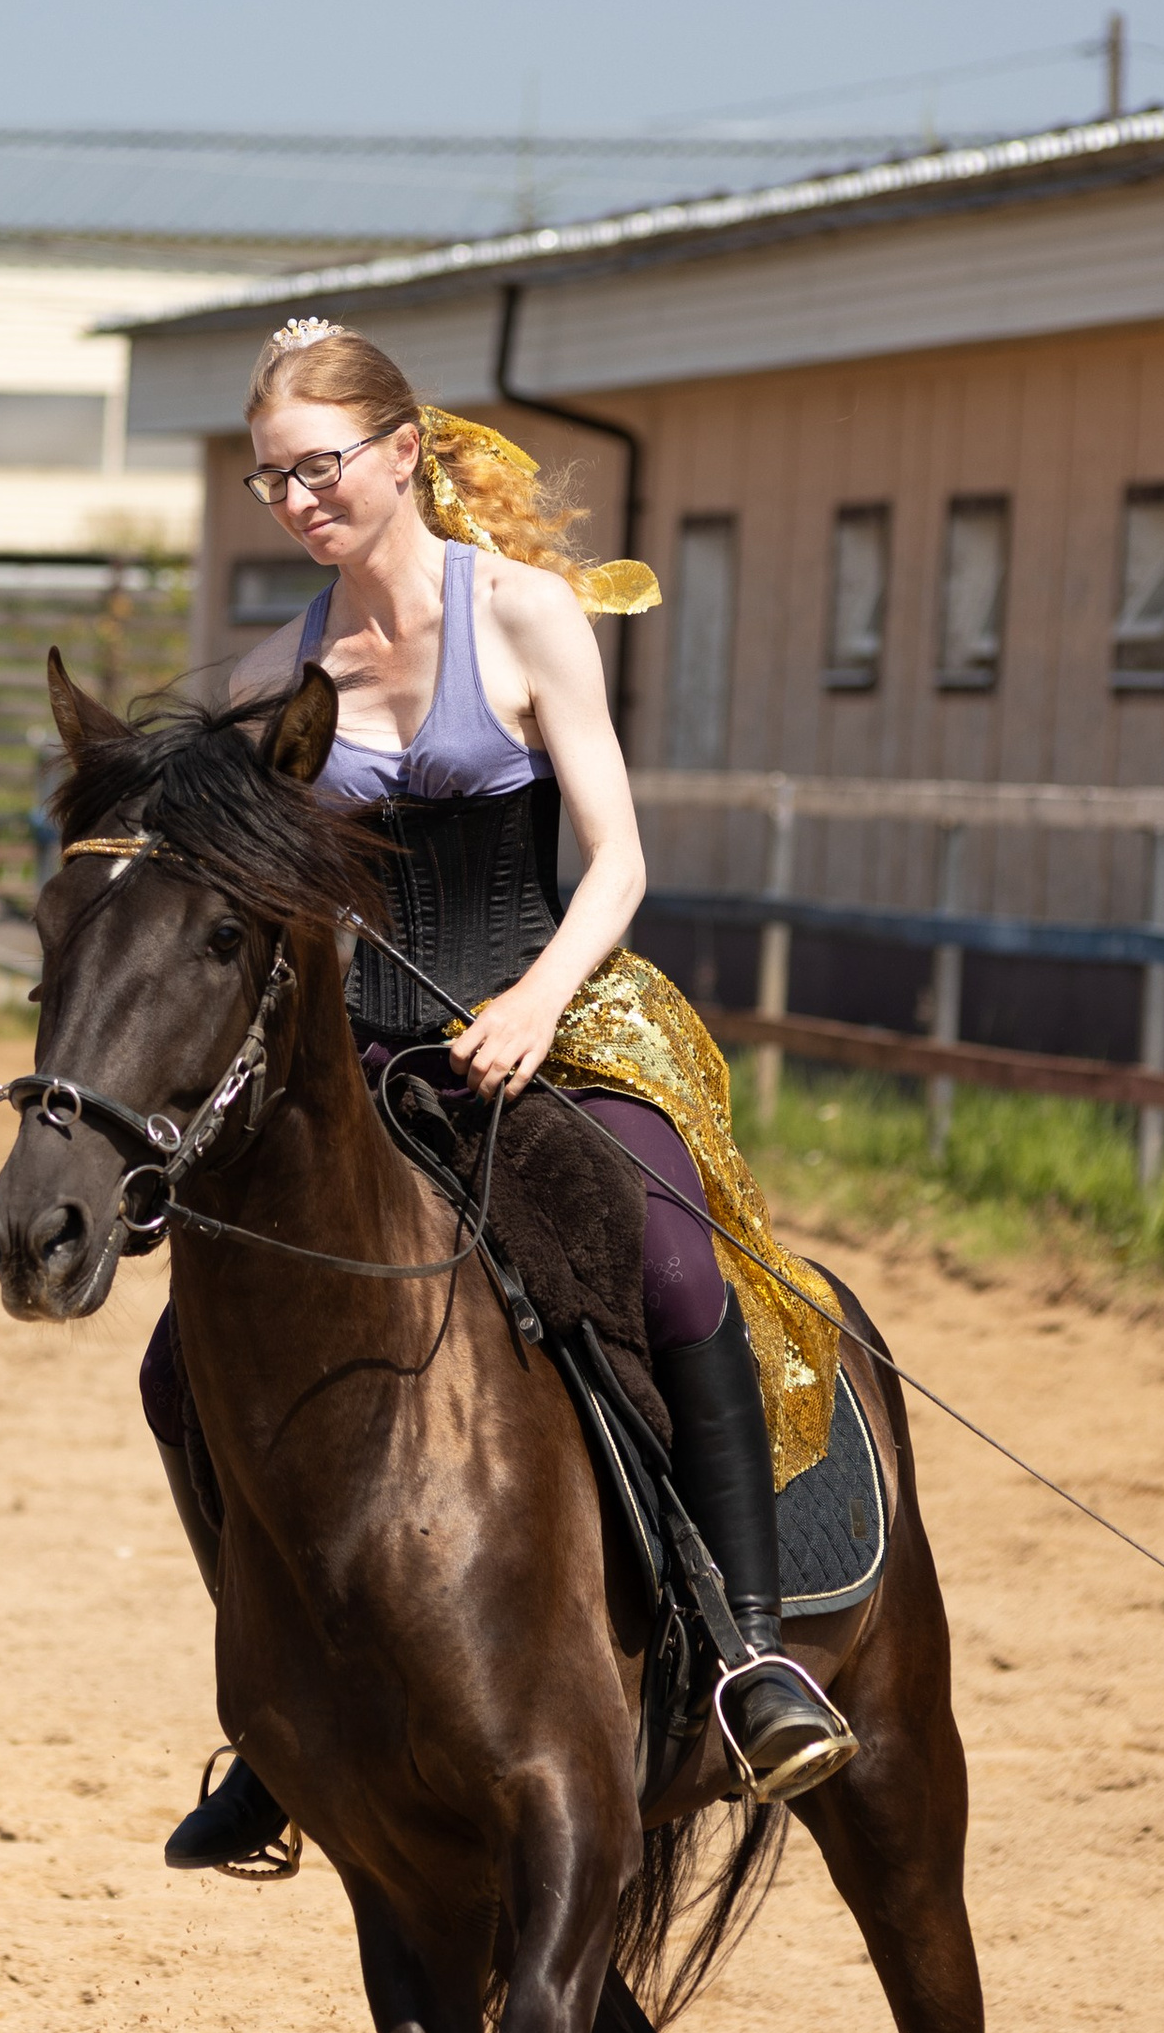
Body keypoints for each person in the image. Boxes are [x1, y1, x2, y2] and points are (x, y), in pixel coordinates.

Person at [151, 315, 855, 1866]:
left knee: (672, 1267)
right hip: (368, 1061)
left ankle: (750, 1656)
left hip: (560, 1018)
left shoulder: (526, 615)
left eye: (319, 467)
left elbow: (621, 859)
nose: (296, 501)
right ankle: (272, 1717)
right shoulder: (274, 677)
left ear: (403, 453)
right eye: (272, 480)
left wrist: (535, 1002)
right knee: (175, 1361)